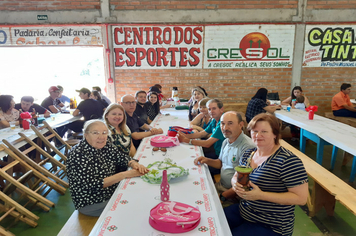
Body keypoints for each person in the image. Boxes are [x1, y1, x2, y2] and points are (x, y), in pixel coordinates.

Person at [224, 113, 308, 236]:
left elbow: (301, 199)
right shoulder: (249, 153)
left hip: (272, 225)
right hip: (246, 211)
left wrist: (261, 195)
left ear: (275, 134)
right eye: (254, 131)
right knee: (215, 221)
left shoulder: (288, 161)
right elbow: (236, 175)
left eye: (264, 131)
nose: (258, 135)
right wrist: (234, 184)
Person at [66, 120, 148, 216]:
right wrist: (125, 174)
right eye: (95, 133)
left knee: (142, 193)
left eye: (104, 133)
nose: (101, 137)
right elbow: (93, 185)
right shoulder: (78, 154)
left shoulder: (106, 145)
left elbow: (120, 157)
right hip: (92, 202)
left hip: (112, 191)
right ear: (86, 135)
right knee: (136, 207)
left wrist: (133, 163)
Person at [194, 112, 255, 206]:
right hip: (220, 186)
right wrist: (206, 160)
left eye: (230, 123)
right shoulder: (226, 141)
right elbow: (220, 163)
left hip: (233, 195)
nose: (225, 128)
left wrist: (223, 196)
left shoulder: (247, 147)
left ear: (241, 124)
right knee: (196, 195)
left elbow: (243, 183)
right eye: (222, 123)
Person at [177, 99, 225, 175]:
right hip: (216, 152)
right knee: (190, 158)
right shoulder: (214, 120)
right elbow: (202, 134)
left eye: (214, 108)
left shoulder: (223, 122)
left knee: (196, 168)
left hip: (221, 160)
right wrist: (185, 136)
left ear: (221, 109)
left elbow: (207, 143)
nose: (211, 111)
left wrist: (187, 140)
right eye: (209, 109)